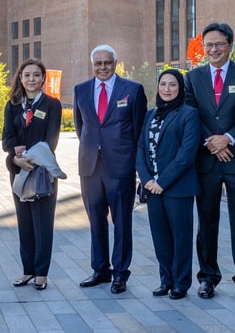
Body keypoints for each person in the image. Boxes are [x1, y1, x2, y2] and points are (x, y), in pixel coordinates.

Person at [183, 21, 235, 301]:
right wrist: (212, 143)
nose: (213, 49)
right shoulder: (193, 77)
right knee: (207, 221)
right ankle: (208, 277)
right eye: (209, 45)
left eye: (219, 44)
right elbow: (191, 116)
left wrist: (228, 138)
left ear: (230, 45)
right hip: (206, 161)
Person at [73, 44, 147, 293]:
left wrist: (137, 167)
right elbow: (80, 126)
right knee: (95, 220)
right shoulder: (81, 90)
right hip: (90, 167)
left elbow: (139, 131)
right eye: (98, 63)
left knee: (122, 222)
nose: (102, 67)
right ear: (92, 64)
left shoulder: (133, 90)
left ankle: (120, 274)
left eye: (107, 62)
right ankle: (100, 270)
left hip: (121, 167)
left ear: (116, 63)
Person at [136, 69, 200, 299]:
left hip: (178, 187)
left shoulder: (189, 114)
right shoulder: (150, 114)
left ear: (180, 88)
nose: (167, 89)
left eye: (173, 84)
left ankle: (181, 283)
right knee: (160, 237)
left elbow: (186, 153)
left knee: (180, 237)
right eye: (163, 84)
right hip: (153, 188)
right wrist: (147, 180)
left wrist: (162, 181)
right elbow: (141, 148)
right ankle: (166, 280)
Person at [2, 59, 61, 291]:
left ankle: (41, 274)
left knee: (42, 223)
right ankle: (27, 271)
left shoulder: (52, 104)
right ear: (20, 77)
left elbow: (51, 139)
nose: (31, 79)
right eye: (27, 75)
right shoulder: (13, 105)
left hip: (42, 171)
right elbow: (7, 137)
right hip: (18, 170)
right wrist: (16, 158)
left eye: (36, 75)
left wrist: (32, 158)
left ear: (43, 78)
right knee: (24, 222)